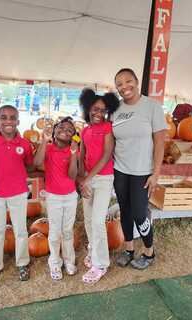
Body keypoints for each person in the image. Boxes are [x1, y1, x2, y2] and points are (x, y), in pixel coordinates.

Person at [112, 68, 167, 270]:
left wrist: (156, 173)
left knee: (139, 213)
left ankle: (149, 252)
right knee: (124, 211)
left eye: (128, 81)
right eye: (119, 84)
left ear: (136, 82)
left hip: (142, 172)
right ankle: (128, 250)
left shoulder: (152, 107)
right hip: (120, 170)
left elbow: (160, 142)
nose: (124, 86)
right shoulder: (116, 110)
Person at [0, 105, 34, 285]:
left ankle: (23, 263)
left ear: (18, 121)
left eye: (12, 118)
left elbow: (29, 166)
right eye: (4, 117)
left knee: (21, 230)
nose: (8, 121)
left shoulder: (25, 144)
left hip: (18, 193)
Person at [78, 88, 119, 284]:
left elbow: (106, 156)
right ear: (88, 108)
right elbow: (81, 155)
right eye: (95, 109)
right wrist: (81, 178)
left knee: (97, 221)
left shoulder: (108, 128)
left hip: (103, 179)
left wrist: (88, 179)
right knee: (87, 219)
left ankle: (101, 264)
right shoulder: (84, 130)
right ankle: (93, 250)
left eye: (102, 110)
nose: (98, 113)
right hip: (87, 178)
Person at [33, 117, 78, 281]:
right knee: (54, 232)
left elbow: (73, 175)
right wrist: (44, 141)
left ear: (73, 136)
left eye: (69, 130)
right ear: (55, 130)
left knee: (67, 231)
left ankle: (69, 261)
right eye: (61, 127)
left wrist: (73, 154)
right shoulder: (49, 148)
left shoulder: (73, 150)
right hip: (53, 197)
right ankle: (54, 263)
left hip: (70, 196)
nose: (65, 130)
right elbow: (37, 163)